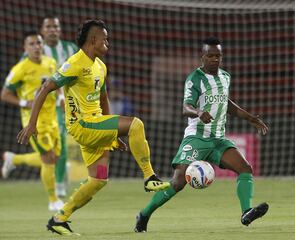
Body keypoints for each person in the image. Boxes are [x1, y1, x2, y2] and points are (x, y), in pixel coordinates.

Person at [17, 19, 170, 236]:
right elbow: (45, 88)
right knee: (136, 124)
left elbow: (103, 97)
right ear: (93, 40)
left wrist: (112, 134)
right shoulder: (75, 63)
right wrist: (32, 124)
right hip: (82, 125)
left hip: (95, 125)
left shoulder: (100, 66)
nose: (108, 43)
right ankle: (150, 177)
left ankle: (59, 219)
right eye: (105, 39)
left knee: (98, 180)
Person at [134, 37, 269, 233]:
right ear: (202, 57)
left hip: (218, 139)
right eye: (211, 56)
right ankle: (144, 214)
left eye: (218, 56)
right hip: (196, 138)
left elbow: (226, 102)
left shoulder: (225, 76)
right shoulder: (194, 79)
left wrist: (250, 118)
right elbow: (185, 107)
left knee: (245, 168)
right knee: (178, 182)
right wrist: (198, 112)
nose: (215, 59)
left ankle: (246, 212)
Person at [1, 16, 78, 198]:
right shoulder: (25, 62)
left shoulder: (69, 50)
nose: (53, 30)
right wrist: (24, 103)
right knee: (52, 154)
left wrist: (64, 100)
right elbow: (16, 87)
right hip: (36, 113)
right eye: (49, 26)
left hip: (60, 105)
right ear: (43, 30)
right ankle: (57, 189)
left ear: (60, 30)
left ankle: (14, 159)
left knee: (57, 152)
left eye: (56, 26)